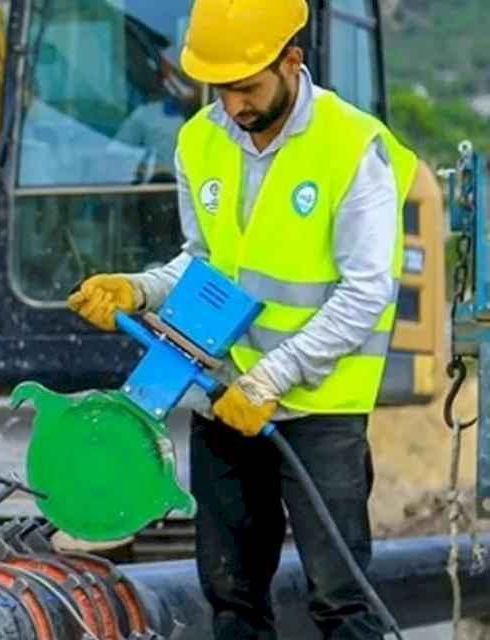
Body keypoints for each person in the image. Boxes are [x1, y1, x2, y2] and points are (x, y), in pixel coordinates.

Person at [65, 0, 417, 637]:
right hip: (221, 401)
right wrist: (138, 290)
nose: (233, 107)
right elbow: (205, 265)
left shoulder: (352, 147)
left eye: (248, 89)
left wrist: (272, 378)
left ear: (292, 61)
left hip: (317, 412)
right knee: (230, 598)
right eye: (221, 90)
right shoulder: (200, 140)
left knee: (340, 598)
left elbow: (366, 292)